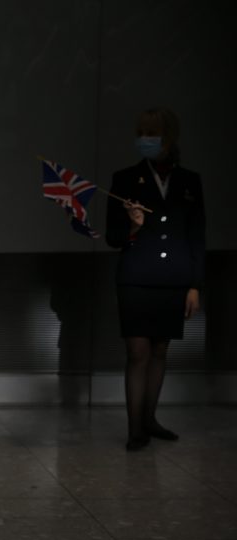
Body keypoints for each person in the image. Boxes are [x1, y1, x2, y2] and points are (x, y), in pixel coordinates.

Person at [105, 107, 205, 451]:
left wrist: (195, 285)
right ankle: (136, 430)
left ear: (169, 137)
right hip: (135, 278)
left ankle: (150, 419)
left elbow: (197, 237)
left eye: (152, 133)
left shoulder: (190, 181)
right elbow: (113, 237)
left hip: (174, 278)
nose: (145, 139)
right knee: (138, 352)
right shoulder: (124, 179)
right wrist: (132, 226)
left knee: (161, 349)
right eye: (141, 133)